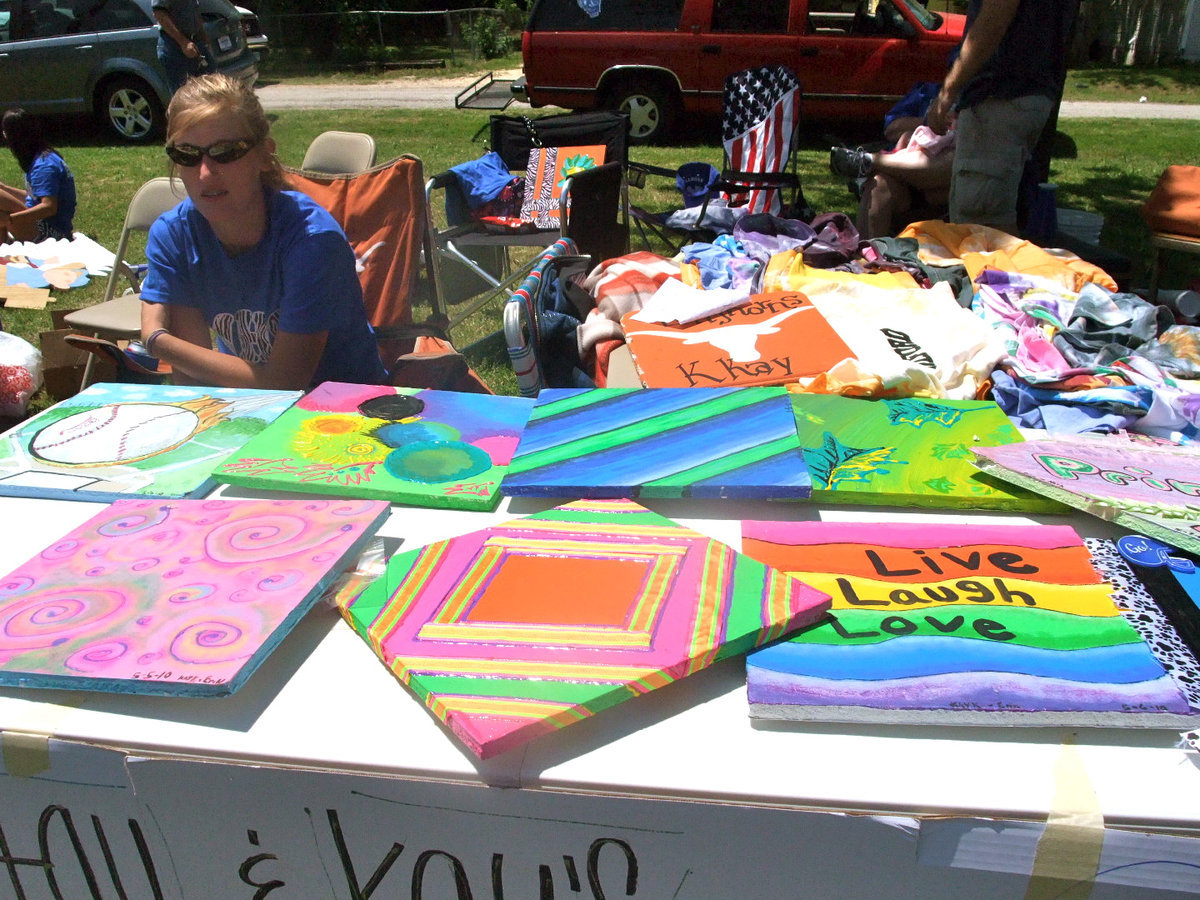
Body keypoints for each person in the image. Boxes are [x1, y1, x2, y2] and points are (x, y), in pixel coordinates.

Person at [139, 73, 388, 391]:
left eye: (225, 151)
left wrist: (156, 341)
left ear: (264, 155)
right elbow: (193, 380)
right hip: (250, 404)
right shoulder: (174, 237)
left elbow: (286, 382)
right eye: (186, 154)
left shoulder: (312, 241)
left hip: (343, 407)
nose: (205, 173)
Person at [925, 0, 1077, 233]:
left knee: (981, 228)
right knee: (987, 223)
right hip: (1021, 94)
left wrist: (948, 90)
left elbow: (994, 19)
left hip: (1000, 96)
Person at [830, 81, 954, 239]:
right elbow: (891, 129)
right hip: (907, 178)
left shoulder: (976, 99)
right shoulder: (927, 91)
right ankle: (865, 250)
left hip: (945, 183)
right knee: (879, 183)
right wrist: (930, 120)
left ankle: (870, 161)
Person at [0, 109, 77, 243]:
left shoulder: (44, 166)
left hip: (54, 234)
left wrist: (9, 219)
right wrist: (4, 188)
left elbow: (49, 207)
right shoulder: (43, 158)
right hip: (49, 227)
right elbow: (35, 198)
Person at [152, 0, 216, 94]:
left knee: (211, 85)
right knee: (184, 94)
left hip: (195, 41)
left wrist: (203, 36)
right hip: (175, 46)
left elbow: (194, 11)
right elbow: (159, 13)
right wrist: (183, 42)